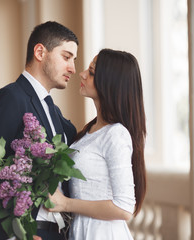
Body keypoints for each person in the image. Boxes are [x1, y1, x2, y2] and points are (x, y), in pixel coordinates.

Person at [0, 21, 79, 240]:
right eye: (66, 57)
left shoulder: (53, 110)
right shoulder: (9, 99)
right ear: (40, 52)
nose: (73, 68)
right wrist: (14, 235)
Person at [47, 49, 147, 239]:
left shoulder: (115, 134)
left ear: (110, 84)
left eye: (91, 72)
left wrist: (66, 203)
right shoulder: (90, 131)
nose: (82, 73)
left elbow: (124, 207)